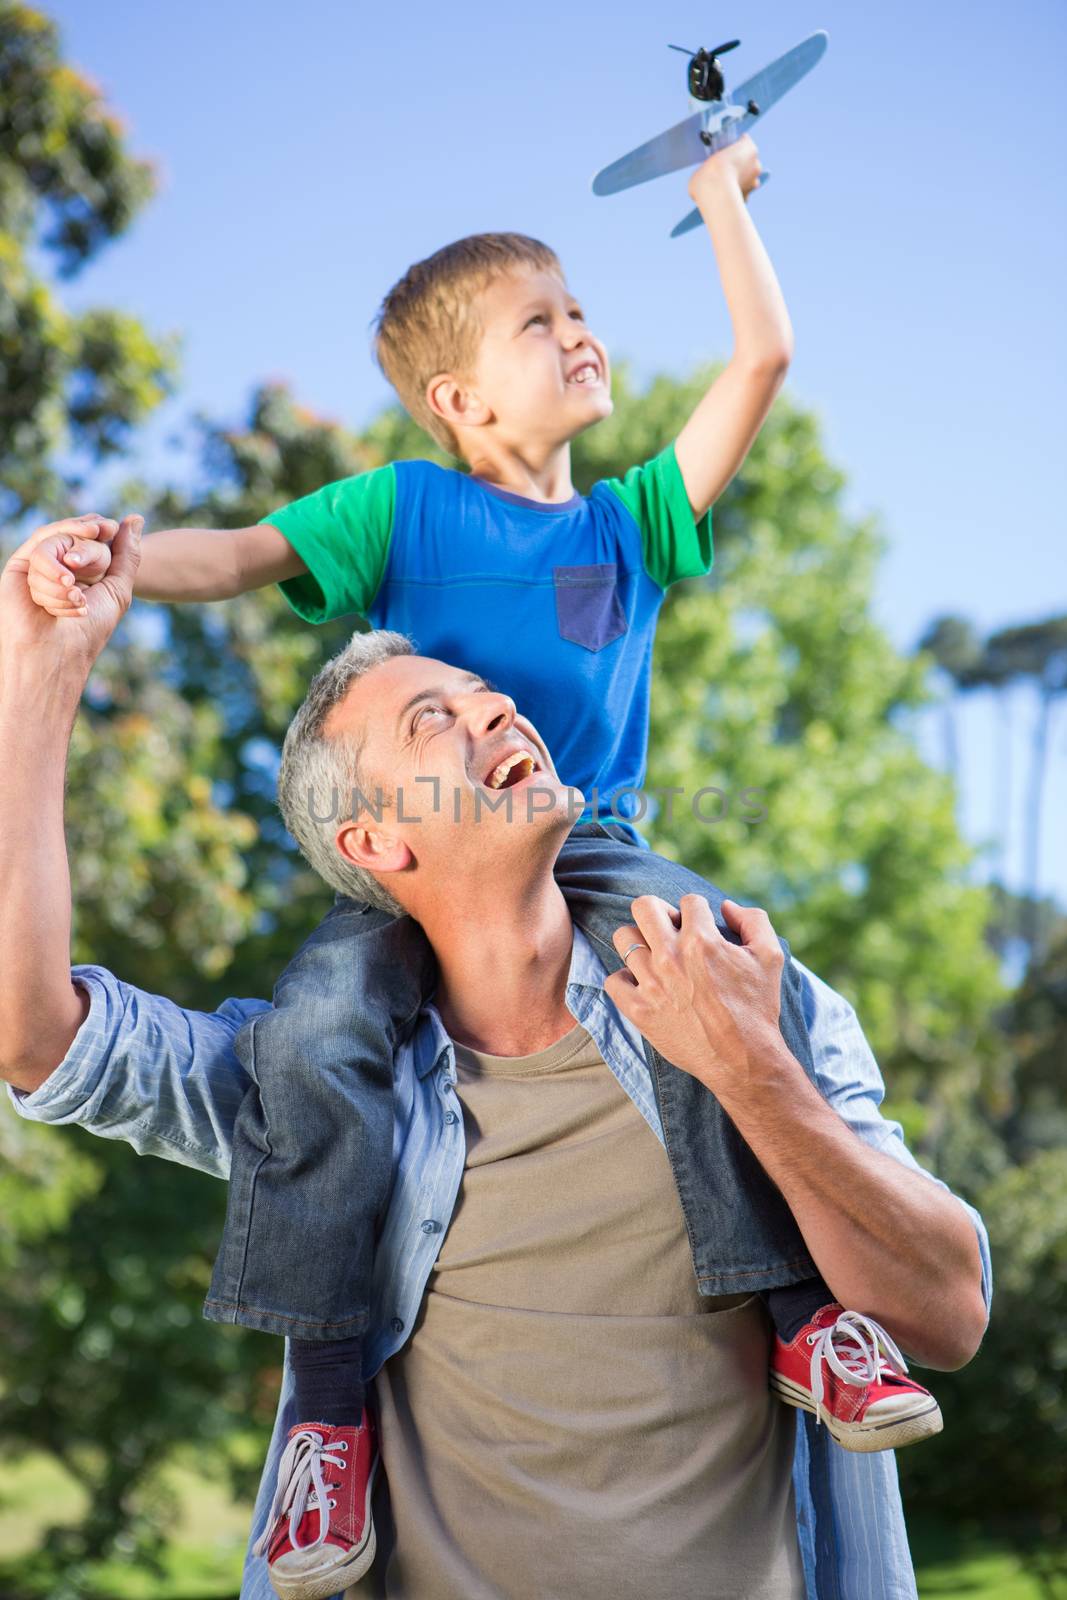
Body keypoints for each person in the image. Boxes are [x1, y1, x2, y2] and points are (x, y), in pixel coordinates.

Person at [0, 523, 990, 1600]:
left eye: (484, 697)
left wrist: (751, 1067)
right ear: (373, 842)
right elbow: (31, 1033)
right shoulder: (304, 1084)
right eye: (435, 720)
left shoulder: (750, 992)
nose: (494, 711)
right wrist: (44, 676)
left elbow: (944, 1313)